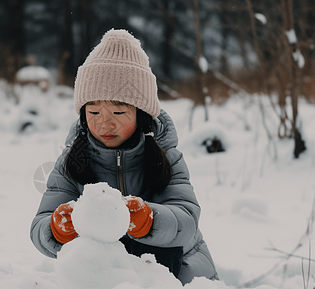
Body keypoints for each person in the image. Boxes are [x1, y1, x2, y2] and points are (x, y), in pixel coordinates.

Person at [30, 29, 218, 284]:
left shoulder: (166, 156)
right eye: (94, 112)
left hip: (175, 273)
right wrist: (56, 228)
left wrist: (148, 220)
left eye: (118, 113)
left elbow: (186, 218)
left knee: (161, 249)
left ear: (141, 114)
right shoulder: (72, 161)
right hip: (107, 275)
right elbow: (40, 224)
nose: (105, 124)